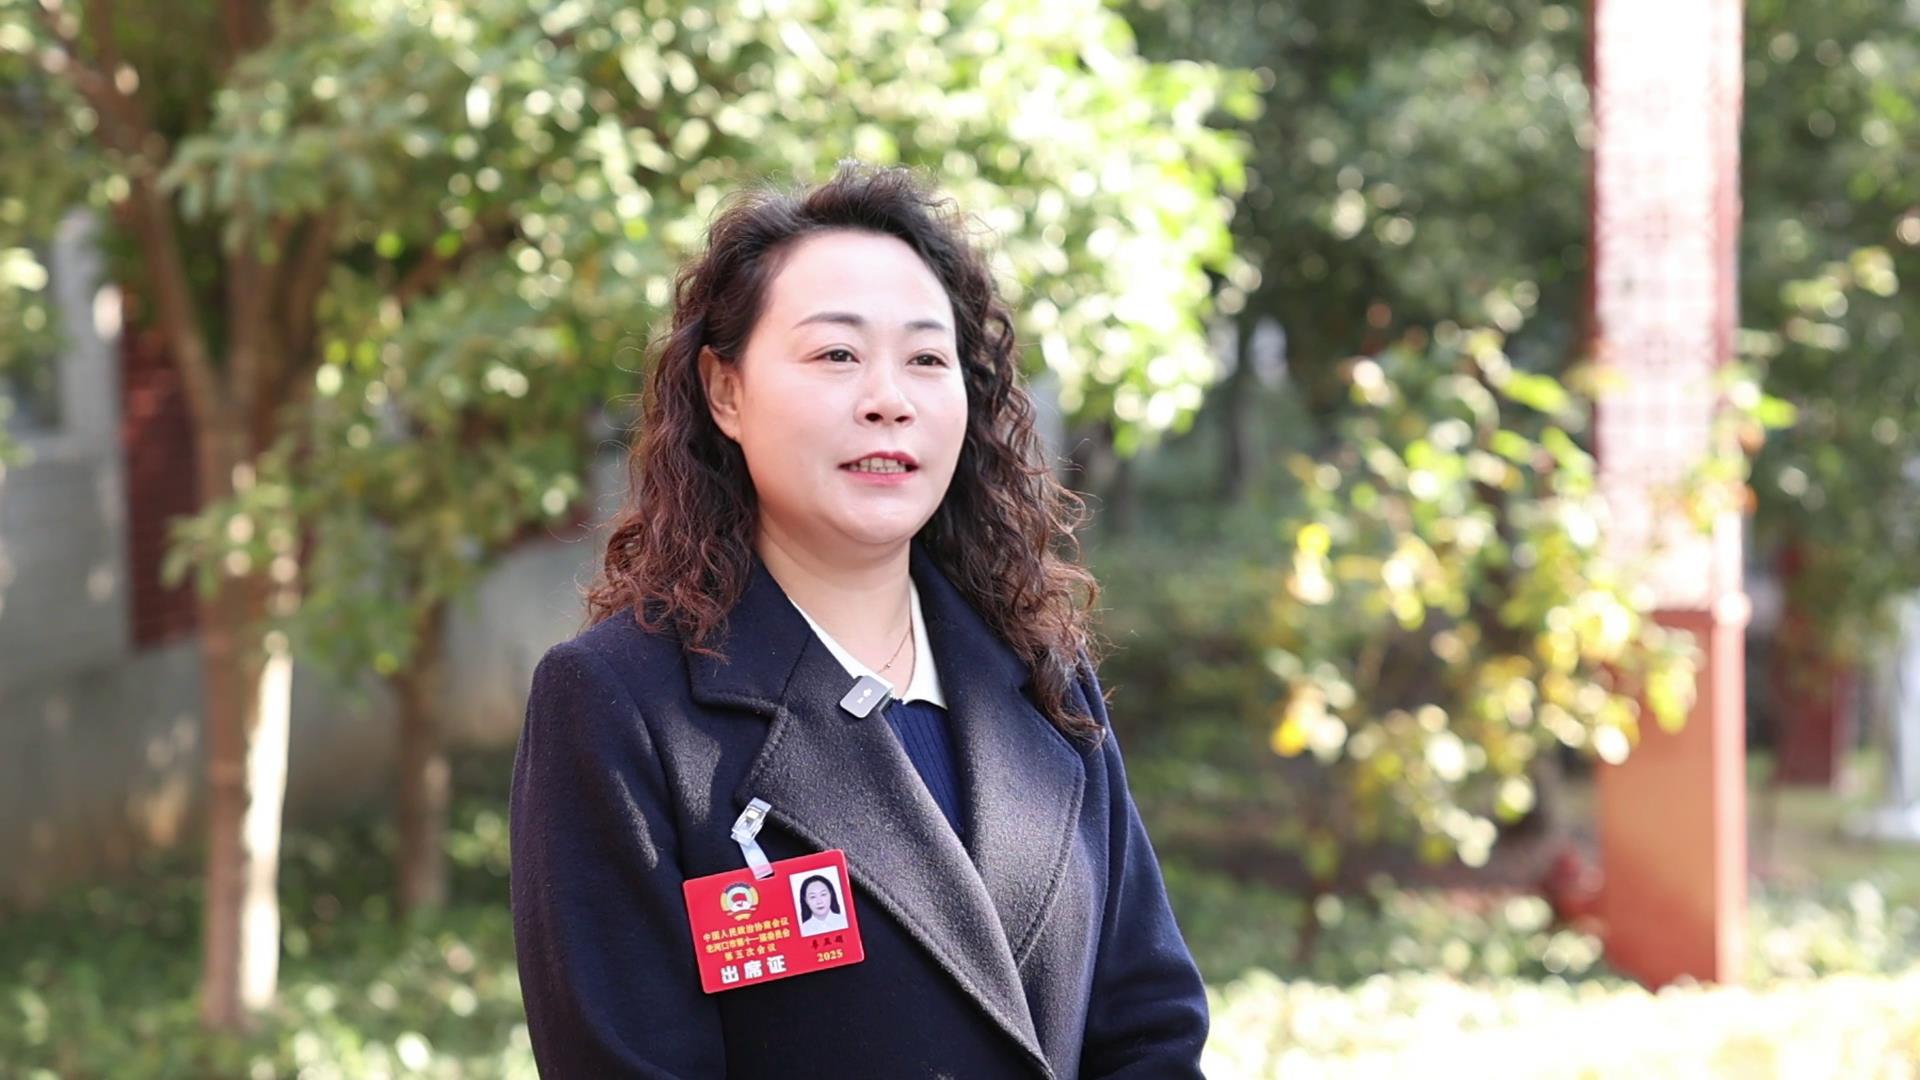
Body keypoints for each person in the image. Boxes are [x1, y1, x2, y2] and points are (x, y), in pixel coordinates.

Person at [509, 163, 1208, 1079]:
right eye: (837, 355)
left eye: (927, 359)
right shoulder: (620, 704)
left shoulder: (1038, 673)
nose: (889, 399)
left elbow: (1151, 1027)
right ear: (725, 392)